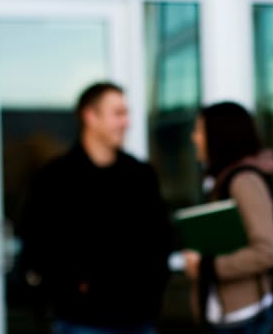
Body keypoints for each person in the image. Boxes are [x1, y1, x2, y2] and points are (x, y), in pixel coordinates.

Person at [19, 82, 173, 334]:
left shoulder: (140, 175)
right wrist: (70, 288)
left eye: (127, 113)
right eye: (118, 113)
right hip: (81, 320)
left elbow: (161, 238)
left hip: (139, 319)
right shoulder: (56, 177)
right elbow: (36, 243)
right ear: (90, 116)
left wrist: (151, 290)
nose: (126, 122)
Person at [183, 102, 273, 334]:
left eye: (199, 130)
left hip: (245, 320)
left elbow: (267, 252)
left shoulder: (244, 182)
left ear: (218, 135)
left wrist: (206, 266)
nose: (194, 138)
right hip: (228, 317)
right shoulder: (220, 181)